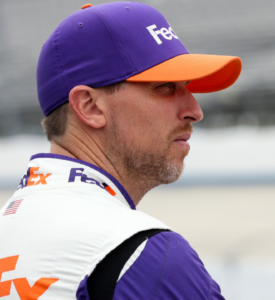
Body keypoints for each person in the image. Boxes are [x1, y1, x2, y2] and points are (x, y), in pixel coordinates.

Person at [0, 2, 241, 299]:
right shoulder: (145, 254)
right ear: (90, 106)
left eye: (187, 85)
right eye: (165, 86)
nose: (194, 110)